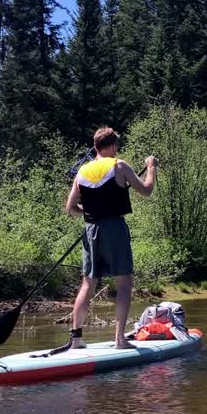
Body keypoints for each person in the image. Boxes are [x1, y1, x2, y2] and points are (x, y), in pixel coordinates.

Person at [63, 127, 157, 350]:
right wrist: (151, 167)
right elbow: (146, 189)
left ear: (96, 147)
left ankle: (76, 338)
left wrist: (92, 213)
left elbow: (70, 208)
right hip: (114, 228)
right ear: (113, 146)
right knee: (124, 284)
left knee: (88, 283)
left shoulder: (83, 172)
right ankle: (119, 340)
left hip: (91, 229)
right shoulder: (119, 165)